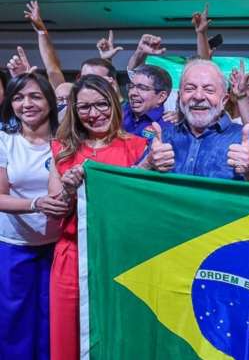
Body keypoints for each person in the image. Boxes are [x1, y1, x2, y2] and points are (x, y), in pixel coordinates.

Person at [47, 75, 172, 360]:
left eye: (102, 105)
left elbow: (142, 207)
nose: (94, 114)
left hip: (121, 257)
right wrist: (68, 189)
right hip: (73, 255)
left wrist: (148, 167)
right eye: (84, 108)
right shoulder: (61, 148)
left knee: (119, 334)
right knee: (68, 335)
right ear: (75, 111)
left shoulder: (139, 148)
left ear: (115, 104)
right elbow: (56, 210)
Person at [0, 73, 68, 360]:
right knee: (14, 322)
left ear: (50, 102)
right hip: (14, 248)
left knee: (52, 320)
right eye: (18, 97)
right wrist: (36, 203)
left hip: (59, 248)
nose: (26, 103)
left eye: (35, 96)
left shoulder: (66, 141)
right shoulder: (5, 141)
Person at [157, 58, 249, 183]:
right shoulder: (164, 137)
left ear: (224, 101)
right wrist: (147, 164)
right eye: (190, 89)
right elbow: (134, 188)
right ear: (180, 97)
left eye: (209, 90)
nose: (198, 96)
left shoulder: (247, 140)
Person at [123, 64, 173, 139]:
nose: (133, 92)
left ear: (161, 97)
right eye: (131, 86)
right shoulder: (118, 114)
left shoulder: (170, 128)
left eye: (142, 88)